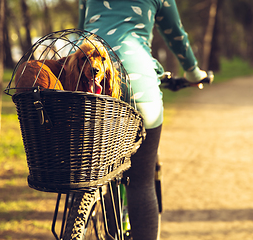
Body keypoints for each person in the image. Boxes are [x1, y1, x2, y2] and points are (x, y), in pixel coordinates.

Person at [78, 0, 207, 239]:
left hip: (89, 84)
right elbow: (175, 35)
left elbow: (81, 35)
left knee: (102, 171)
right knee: (140, 183)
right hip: (137, 84)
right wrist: (193, 73)